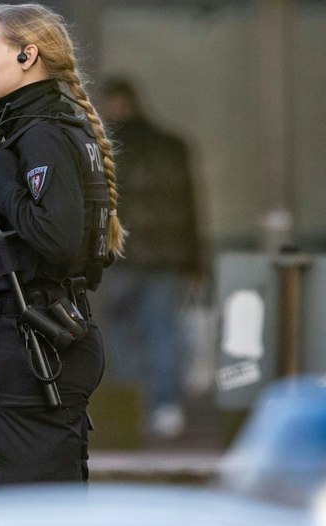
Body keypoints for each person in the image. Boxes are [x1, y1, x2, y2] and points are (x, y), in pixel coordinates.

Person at [0, 3, 121, 485]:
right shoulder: (52, 126)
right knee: (45, 522)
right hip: (43, 336)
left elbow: (56, 240)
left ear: (28, 56)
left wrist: (1, 178)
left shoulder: (41, 134)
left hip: (41, 348)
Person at [98, 77, 204, 442]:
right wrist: (194, 262)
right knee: (164, 334)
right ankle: (165, 407)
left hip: (121, 259)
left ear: (116, 104)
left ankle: (133, 405)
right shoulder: (172, 147)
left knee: (124, 335)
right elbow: (191, 209)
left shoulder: (104, 149)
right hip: (166, 261)